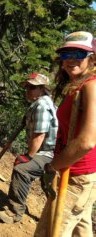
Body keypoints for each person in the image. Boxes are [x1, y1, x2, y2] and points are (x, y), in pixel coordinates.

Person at [35, 31, 96, 237]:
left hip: (77, 177)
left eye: (78, 54)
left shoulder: (91, 87)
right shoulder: (79, 86)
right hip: (77, 173)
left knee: (49, 232)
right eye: (65, 54)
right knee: (82, 231)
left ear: (92, 57)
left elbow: (87, 142)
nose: (70, 60)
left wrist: (53, 166)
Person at [0, 73, 58, 224]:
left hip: (48, 153)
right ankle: (54, 216)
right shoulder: (41, 103)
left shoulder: (42, 105)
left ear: (43, 89)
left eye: (33, 87)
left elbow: (39, 135)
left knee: (22, 168)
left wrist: (29, 156)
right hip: (49, 151)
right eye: (28, 87)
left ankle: (14, 212)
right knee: (49, 184)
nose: (28, 90)